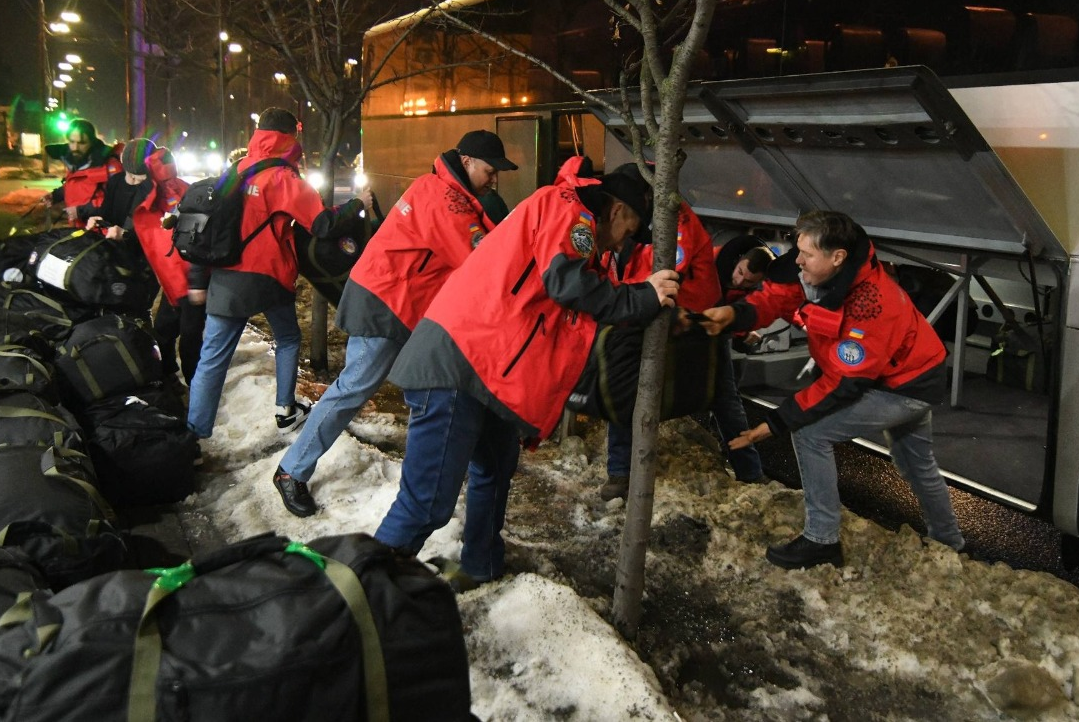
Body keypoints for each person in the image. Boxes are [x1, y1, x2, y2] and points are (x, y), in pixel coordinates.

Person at [373, 157, 680, 583]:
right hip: (459, 364)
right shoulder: (568, 210)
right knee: (427, 502)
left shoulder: (580, 227)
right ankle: (366, 595)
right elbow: (568, 286)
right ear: (617, 211)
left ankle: (482, 568)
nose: (625, 242)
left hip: (488, 371)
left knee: (496, 469)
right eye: (630, 229)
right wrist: (642, 297)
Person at [696, 210, 964, 569]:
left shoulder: (871, 303)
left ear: (837, 257)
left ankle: (822, 540)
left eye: (806, 254)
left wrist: (777, 421)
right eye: (798, 250)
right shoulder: (817, 271)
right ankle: (950, 543)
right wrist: (736, 314)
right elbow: (776, 298)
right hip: (902, 371)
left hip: (905, 385)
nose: (797, 261)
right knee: (916, 463)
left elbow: (843, 384)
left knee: (809, 432)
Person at [272, 129, 516, 517]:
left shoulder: (438, 187)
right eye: (490, 170)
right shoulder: (446, 201)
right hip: (386, 304)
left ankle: (430, 479)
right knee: (352, 389)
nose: (495, 178)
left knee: (423, 385)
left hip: (396, 303)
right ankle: (291, 470)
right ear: (467, 162)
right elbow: (480, 261)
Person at [185, 107, 373, 441]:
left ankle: (194, 437)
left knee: (212, 359)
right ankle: (285, 410)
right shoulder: (283, 177)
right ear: (290, 136)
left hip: (226, 276)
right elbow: (322, 224)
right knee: (287, 338)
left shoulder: (235, 169)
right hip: (268, 276)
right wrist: (357, 203)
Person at [599, 179, 763, 501]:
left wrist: (630, 302)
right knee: (624, 389)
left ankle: (750, 473)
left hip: (695, 320)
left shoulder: (675, 222)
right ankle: (619, 472)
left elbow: (668, 274)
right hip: (653, 315)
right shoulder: (642, 223)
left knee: (723, 398)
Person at [83, 138, 206, 386]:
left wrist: (125, 234)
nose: (133, 181)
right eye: (129, 175)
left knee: (190, 341)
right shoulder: (151, 189)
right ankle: (168, 375)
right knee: (163, 332)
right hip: (173, 281)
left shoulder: (168, 194)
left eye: (137, 177)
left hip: (187, 281)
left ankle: (197, 394)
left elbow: (158, 233)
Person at [40, 118, 123, 226]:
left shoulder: (111, 165)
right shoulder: (74, 162)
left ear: (92, 142)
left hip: (102, 233)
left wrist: (80, 211)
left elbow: (119, 200)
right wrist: (55, 195)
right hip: (78, 229)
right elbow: (78, 186)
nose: (75, 148)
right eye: (72, 142)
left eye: (82, 143)